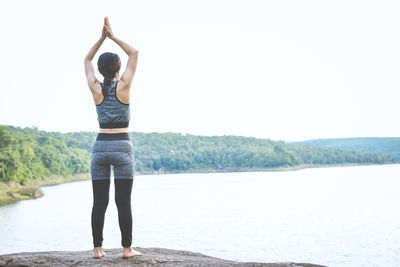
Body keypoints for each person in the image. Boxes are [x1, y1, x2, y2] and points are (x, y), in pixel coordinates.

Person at [84, 16, 142, 259]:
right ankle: (127, 249)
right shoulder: (124, 86)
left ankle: (98, 249)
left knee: (99, 202)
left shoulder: (96, 88)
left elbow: (86, 59)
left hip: (100, 147)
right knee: (123, 202)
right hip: (122, 147)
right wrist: (113, 36)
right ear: (118, 68)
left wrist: (101, 38)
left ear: (100, 69)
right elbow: (134, 52)